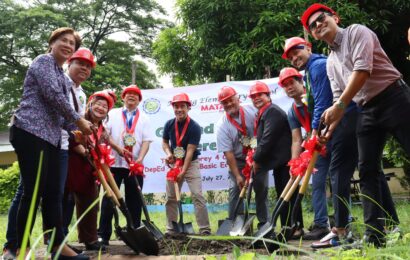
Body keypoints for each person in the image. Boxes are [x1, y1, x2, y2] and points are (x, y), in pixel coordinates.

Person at [301, 3, 409, 247]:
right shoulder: (330, 62)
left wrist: (338, 106)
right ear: (314, 35)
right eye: (313, 25)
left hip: (394, 97)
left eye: (321, 19)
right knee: (368, 170)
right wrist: (328, 131)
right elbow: (340, 96)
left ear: (335, 18)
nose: (318, 24)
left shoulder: (357, 32)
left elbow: (362, 71)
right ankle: (375, 236)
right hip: (366, 109)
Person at [8, 27, 92, 259]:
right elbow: (52, 96)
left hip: (53, 139)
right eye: (63, 40)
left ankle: (56, 246)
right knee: (32, 192)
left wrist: (75, 132)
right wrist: (79, 121)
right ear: (52, 42)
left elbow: (59, 115)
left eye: (72, 44)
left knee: (55, 194)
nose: (68, 45)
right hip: (29, 131)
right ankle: (20, 248)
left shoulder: (61, 75)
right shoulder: (43, 61)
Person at [277, 67, 331, 240]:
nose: (289, 87)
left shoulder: (314, 98)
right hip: (317, 148)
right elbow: (296, 139)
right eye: (285, 85)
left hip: (333, 140)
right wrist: (294, 163)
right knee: (317, 184)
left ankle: (344, 221)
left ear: (301, 82)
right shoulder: (292, 111)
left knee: (339, 181)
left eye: (291, 82)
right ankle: (321, 224)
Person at [98, 85, 153, 245]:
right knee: (109, 199)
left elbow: (146, 141)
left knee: (135, 201)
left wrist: (140, 159)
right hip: (114, 164)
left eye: (135, 95)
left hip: (133, 166)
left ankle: (135, 233)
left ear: (139, 100)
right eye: (128, 94)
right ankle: (103, 235)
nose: (131, 96)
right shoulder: (112, 114)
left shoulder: (144, 118)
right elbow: (104, 135)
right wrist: (118, 149)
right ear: (123, 97)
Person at [249, 81, 303, 235]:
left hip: (287, 161)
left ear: (268, 95)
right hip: (280, 162)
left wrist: (256, 159)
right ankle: (288, 228)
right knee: (283, 195)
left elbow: (267, 139)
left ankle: (297, 227)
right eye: (253, 96)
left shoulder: (272, 111)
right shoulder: (264, 112)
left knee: (290, 195)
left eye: (260, 94)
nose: (256, 98)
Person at [66, 91, 115, 251]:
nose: (101, 108)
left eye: (105, 106)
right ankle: (60, 240)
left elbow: (104, 147)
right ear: (90, 104)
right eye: (98, 104)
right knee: (65, 201)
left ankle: (90, 239)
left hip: (90, 169)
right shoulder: (79, 119)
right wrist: (86, 152)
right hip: (72, 164)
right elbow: (72, 138)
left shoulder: (103, 130)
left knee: (91, 202)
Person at [162, 93, 211, 235]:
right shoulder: (169, 124)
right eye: (176, 106)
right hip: (174, 165)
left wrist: (183, 171)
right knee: (171, 197)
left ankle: (205, 229)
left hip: (191, 164)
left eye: (182, 106)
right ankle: (171, 229)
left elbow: (190, 150)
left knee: (197, 195)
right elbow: (165, 142)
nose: (179, 109)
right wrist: (169, 154)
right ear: (173, 108)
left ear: (188, 107)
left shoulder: (194, 127)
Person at [61, 48, 94, 238]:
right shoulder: (62, 83)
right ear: (69, 64)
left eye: (88, 66)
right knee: (62, 195)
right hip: (61, 144)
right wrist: (78, 145)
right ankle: (59, 240)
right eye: (80, 63)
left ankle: (71, 239)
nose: (85, 68)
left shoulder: (81, 92)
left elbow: (79, 122)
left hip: (71, 145)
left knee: (73, 196)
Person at [215, 86, 257, 220]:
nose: (229, 104)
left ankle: (265, 224)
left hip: (258, 157)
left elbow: (262, 132)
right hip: (238, 161)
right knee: (235, 190)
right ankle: (234, 223)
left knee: (261, 190)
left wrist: (256, 157)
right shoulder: (222, 125)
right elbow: (228, 154)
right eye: (224, 102)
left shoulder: (253, 111)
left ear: (237, 98)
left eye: (231, 100)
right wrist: (238, 176)